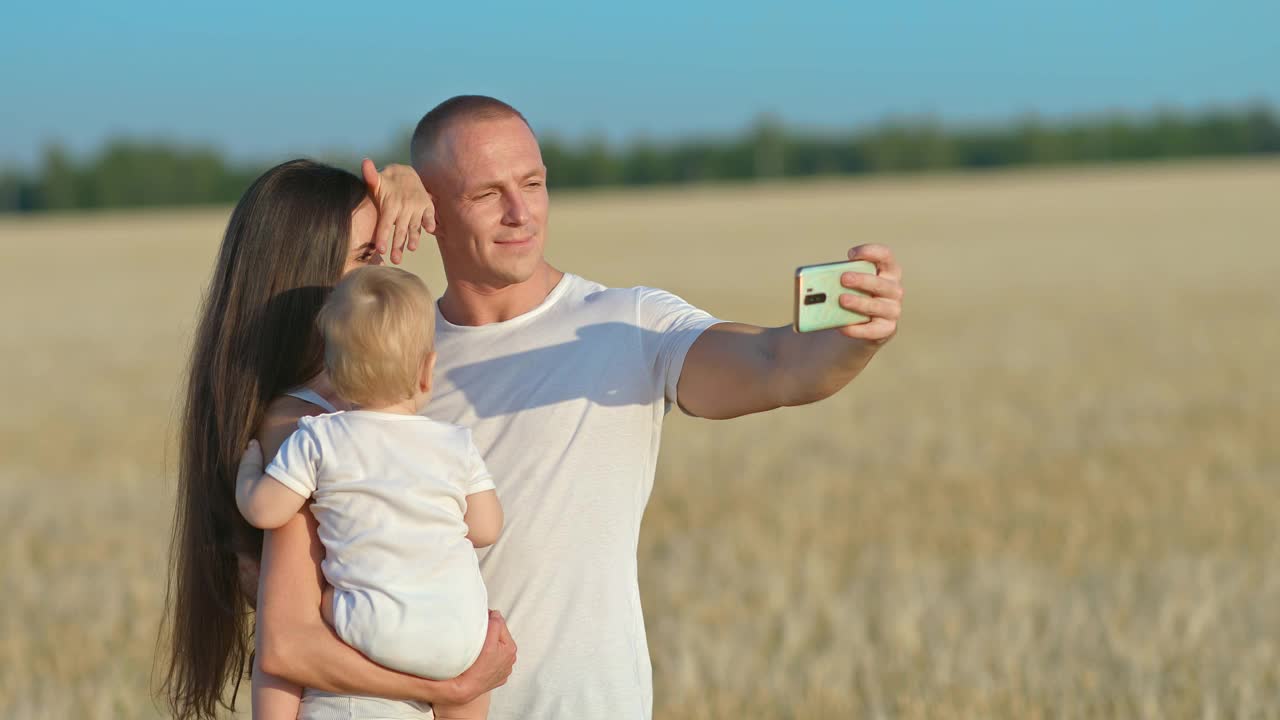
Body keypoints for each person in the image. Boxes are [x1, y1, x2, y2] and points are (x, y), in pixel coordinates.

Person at [256, 96, 905, 720]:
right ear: (434, 213)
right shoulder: (389, 361)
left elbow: (779, 366)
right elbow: (293, 568)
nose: (521, 212)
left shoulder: (629, 325)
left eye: (533, 183)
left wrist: (852, 341)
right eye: (487, 194)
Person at [162, 159, 516, 720]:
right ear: (307, 273)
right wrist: (454, 689)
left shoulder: (338, 420)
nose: (386, 277)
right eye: (367, 256)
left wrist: (413, 182)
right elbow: (288, 643)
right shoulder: (299, 432)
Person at [235, 265, 504, 720]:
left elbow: (264, 511)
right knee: (478, 659)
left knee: (283, 645)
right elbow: (486, 527)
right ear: (427, 371)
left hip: (370, 630)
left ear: (335, 377)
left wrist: (251, 467)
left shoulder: (318, 438)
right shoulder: (455, 443)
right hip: (457, 639)